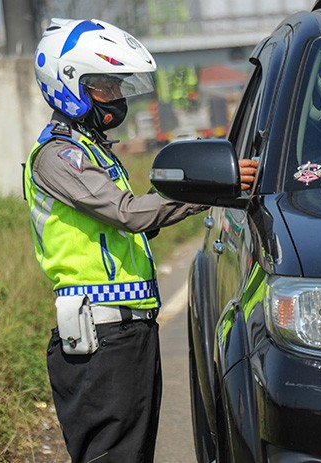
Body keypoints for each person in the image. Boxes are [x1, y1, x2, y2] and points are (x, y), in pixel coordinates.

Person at [24, 18, 256, 462]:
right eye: (104, 87)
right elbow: (128, 214)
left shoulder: (93, 149)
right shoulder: (58, 156)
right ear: (68, 84)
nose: (115, 97)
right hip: (101, 337)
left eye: (116, 86)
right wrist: (210, 192)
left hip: (129, 329)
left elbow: (138, 222)